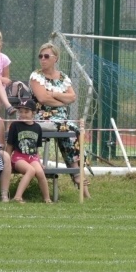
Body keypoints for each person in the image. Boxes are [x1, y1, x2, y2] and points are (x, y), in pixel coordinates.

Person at [30, 42, 89, 198]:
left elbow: (73, 97)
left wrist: (54, 94)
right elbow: (42, 98)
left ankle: (78, 174)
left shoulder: (63, 77)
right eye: (40, 56)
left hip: (62, 120)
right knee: (69, 129)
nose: (43, 59)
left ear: (55, 58)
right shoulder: (36, 76)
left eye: (46, 56)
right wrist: (62, 101)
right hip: (43, 118)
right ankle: (77, 174)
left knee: (74, 131)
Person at [5, 98, 52, 204]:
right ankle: (17, 197)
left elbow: (36, 149)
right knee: (31, 170)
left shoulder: (37, 127)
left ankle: (47, 199)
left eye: (26, 112)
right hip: (19, 157)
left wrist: (39, 162)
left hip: (32, 157)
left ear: (33, 113)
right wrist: (6, 160)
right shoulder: (15, 125)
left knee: (39, 171)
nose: (23, 114)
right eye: (21, 112)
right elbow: (10, 145)